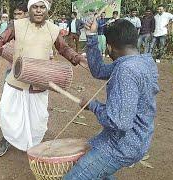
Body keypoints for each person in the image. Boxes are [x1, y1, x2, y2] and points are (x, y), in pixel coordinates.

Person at [0, 0, 87, 157]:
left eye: (42, 7)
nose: (38, 11)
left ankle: (33, 147)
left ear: (47, 10)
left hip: (40, 81)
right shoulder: (17, 25)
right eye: (35, 7)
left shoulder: (53, 29)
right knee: (7, 112)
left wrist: (77, 57)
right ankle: (7, 139)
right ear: (29, 9)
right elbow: (2, 37)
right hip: (16, 79)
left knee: (37, 119)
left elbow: (64, 48)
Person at [63, 19, 159, 179]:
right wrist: (92, 35)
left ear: (109, 47)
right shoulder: (144, 61)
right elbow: (99, 70)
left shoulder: (126, 70)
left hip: (122, 145)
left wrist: (93, 106)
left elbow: (119, 122)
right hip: (137, 139)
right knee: (100, 172)